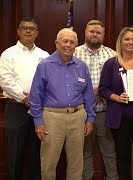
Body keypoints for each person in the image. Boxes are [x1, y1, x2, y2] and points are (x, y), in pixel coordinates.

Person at [28, 28, 96, 180]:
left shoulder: (82, 66)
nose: (68, 45)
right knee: (49, 162)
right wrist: (38, 121)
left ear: (76, 45)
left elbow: (89, 95)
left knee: (76, 162)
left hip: (78, 117)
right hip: (52, 118)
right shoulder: (44, 65)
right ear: (57, 44)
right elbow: (35, 96)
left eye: (72, 42)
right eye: (65, 41)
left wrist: (90, 119)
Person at [98, 27, 133, 180]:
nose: (130, 42)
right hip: (119, 119)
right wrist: (117, 97)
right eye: (127, 39)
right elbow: (103, 88)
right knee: (122, 157)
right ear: (121, 42)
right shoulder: (111, 64)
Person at [0, 17, 49, 180]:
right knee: (15, 153)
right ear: (18, 31)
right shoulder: (8, 54)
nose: (28, 30)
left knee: (37, 153)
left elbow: (49, 80)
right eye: (24, 28)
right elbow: (5, 81)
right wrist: (24, 98)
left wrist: (35, 99)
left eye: (32, 28)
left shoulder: (44, 55)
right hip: (16, 108)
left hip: (39, 110)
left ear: (37, 33)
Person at [74, 19, 118, 180]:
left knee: (109, 152)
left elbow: (119, 82)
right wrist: (90, 92)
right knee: (84, 152)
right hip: (81, 113)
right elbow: (66, 82)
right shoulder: (74, 53)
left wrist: (102, 91)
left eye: (98, 32)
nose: (95, 35)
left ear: (103, 35)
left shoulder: (112, 54)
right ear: (85, 32)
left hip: (105, 112)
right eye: (92, 31)